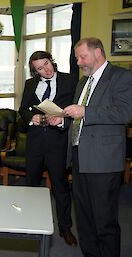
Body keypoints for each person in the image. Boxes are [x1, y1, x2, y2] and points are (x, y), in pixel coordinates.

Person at [51, 37, 132, 257]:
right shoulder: (82, 81)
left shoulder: (121, 77)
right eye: (77, 57)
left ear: (98, 53)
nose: (78, 62)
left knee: (104, 221)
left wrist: (85, 111)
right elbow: (78, 117)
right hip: (79, 157)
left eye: (82, 56)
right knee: (84, 218)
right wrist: (61, 120)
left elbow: (125, 113)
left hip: (104, 162)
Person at [19, 51, 78, 246]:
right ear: (35, 71)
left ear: (51, 60)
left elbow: (79, 109)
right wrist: (31, 118)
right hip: (35, 141)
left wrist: (62, 120)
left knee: (60, 187)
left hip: (58, 141)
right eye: (40, 69)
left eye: (46, 64)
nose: (46, 70)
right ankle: (33, 223)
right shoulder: (30, 84)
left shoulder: (71, 80)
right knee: (32, 185)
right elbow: (22, 109)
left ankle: (65, 227)